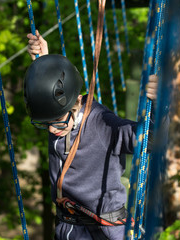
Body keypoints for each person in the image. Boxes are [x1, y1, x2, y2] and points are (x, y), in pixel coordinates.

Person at [24, 30, 158, 240]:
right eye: (45, 124)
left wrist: (159, 105)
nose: (51, 130)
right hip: (68, 229)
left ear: (77, 100)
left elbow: (150, 140)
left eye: (56, 122)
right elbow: (54, 90)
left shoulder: (103, 125)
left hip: (104, 231)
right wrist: (43, 61)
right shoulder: (58, 114)